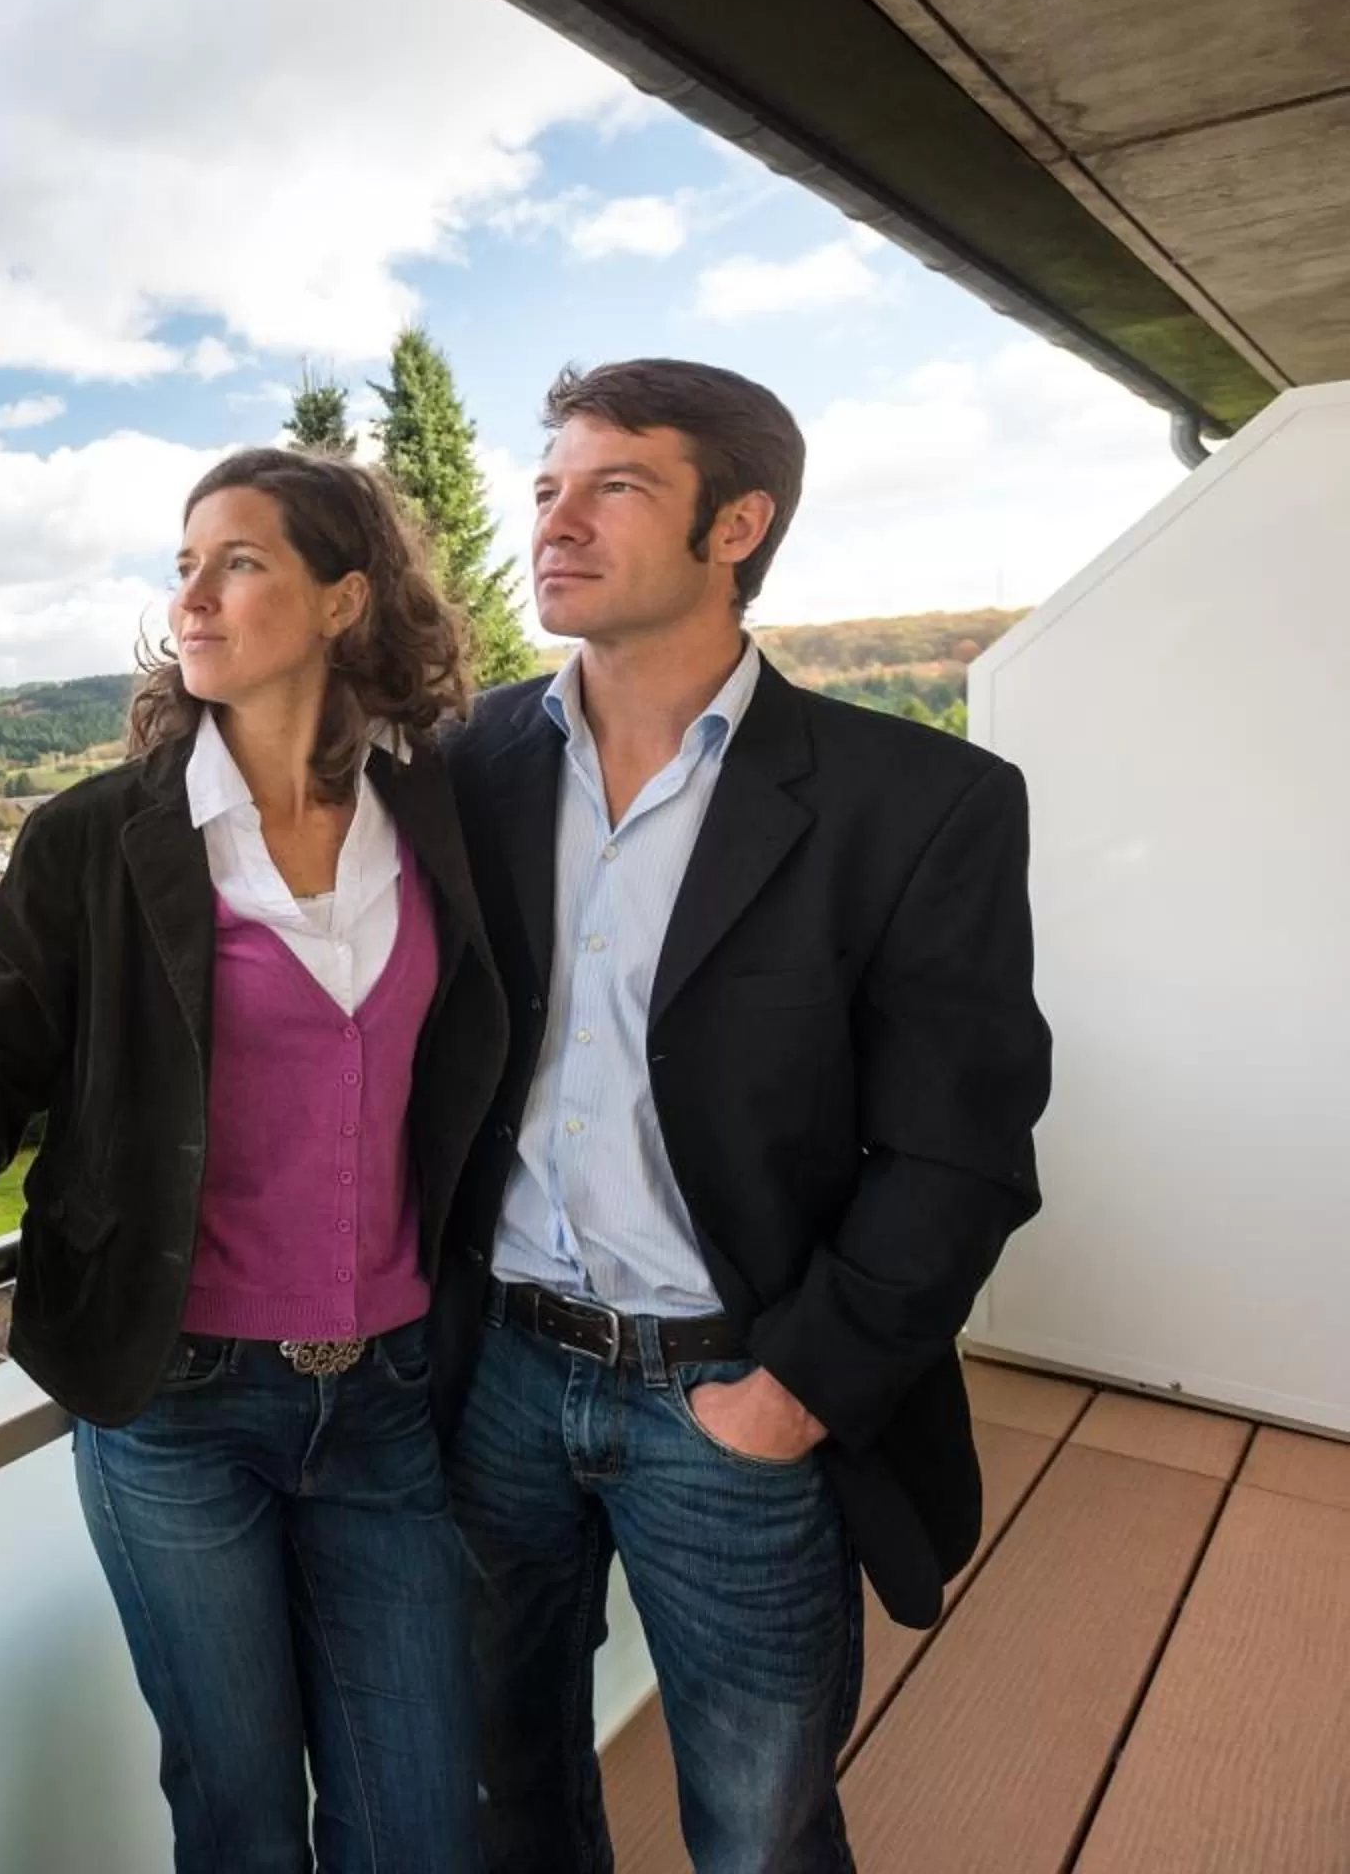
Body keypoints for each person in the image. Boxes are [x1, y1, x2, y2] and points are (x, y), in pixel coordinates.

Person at [0, 446, 509, 1873]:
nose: (196, 595)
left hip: (390, 1396)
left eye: (239, 562)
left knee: (420, 1823)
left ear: (344, 599)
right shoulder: (95, 842)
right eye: (185, 565)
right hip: (175, 1400)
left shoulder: (434, 825)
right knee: (236, 1813)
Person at [436, 358, 1052, 1872]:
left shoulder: (919, 805)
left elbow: (958, 1153)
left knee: (763, 1830)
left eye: (615, 486)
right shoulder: (466, 769)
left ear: (739, 525)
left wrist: (792, 1394)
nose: (556, 524)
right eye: (546, 491)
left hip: (733, 1397)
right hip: (499, 1380)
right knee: (503, 1788)